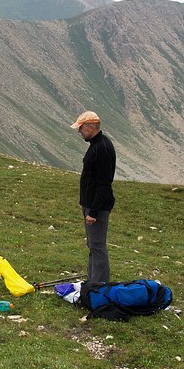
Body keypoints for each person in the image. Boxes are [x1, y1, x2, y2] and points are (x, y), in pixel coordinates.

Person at [70, 111, 116, 283]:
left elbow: (104, 184)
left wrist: (93, 212)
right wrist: (85, 204)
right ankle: (92, 282)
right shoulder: (96, 145)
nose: (79, 131)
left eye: (81, 128)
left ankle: (100, 285)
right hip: (90, 205)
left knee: (97, 246)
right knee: (93, 245)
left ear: (90, 127)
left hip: (97, 208)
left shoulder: (102, 148)